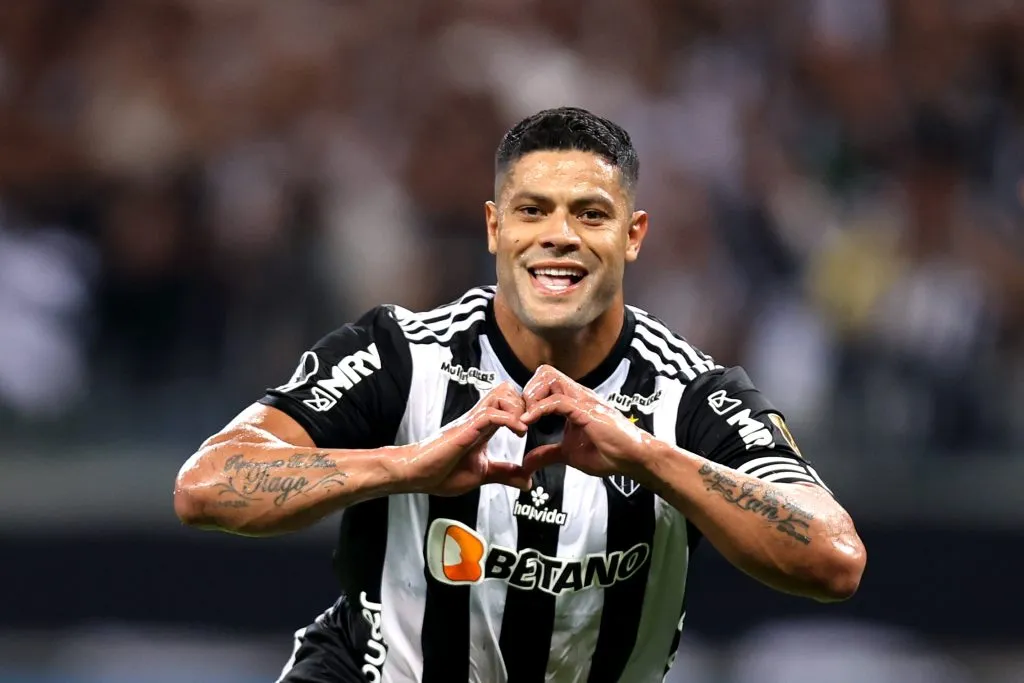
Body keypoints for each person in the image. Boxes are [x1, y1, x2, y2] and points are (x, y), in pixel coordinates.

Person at [174, 107, 866, 683]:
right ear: (495, 227)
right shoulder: (402, 353)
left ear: (633, 236)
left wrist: (646, 455)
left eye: (590, 214)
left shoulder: (688, 394)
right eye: (533, 210)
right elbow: (205, 485)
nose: (558, 236)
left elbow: (834, 557)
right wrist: (406, 466)